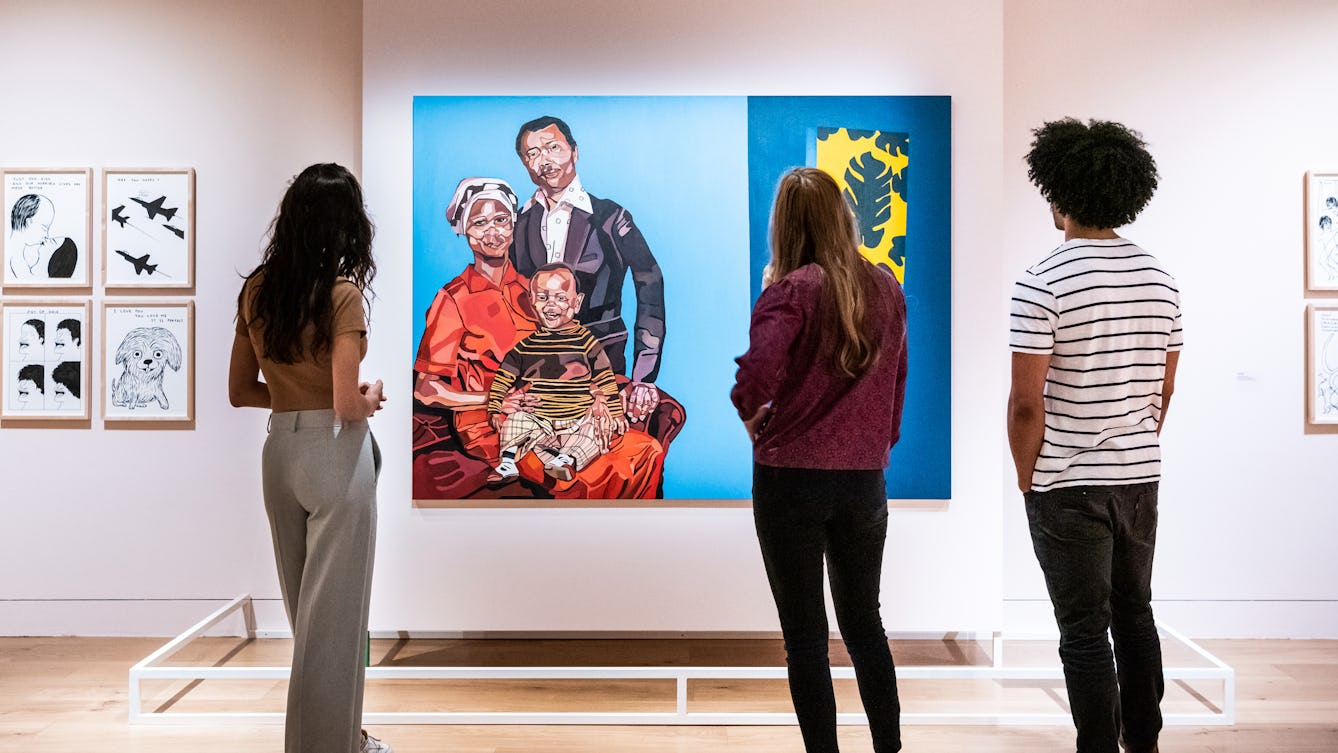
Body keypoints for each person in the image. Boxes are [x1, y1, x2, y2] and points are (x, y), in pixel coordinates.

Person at [1008, 118, 1182, 753]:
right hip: (1140, 478)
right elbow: (1162, 389)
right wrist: (1133, 442)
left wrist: (1029, 479)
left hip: (1068, 483)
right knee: (1136, 614)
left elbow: (1027, 404)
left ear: (1058, 192)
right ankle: (1144, 742)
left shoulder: (1044, 279)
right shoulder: (1159, 277)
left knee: (1083, 628)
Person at [732, 167, 908, 753]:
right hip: (863, 480)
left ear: (783, 224)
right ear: (842, 216)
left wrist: (752, 414)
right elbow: (897, 385)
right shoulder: (884, 286)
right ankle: (889, 749)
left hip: (790, 479)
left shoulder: (790, 290)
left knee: (805, 638)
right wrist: (877, 445)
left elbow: (754, 376)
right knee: (865, 626)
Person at [228, 163, 392, 753]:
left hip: (280, 454)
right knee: (338, 620)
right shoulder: (342, 296)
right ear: (347, 226)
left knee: (309, 615)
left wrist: (295, 396)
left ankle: (343, 737)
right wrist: (371, 395)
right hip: (334, 454)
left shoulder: (258, 290)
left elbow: (241, 391)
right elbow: (349, 404)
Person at [511, 115, 665, 423]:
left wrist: (645, 375)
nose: (544, 160)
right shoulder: (518, 222)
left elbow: (651, 286)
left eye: (553, 147)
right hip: (537, 373)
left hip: (603, 365)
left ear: (574, 151)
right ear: (525, 165)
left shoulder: (610, 217)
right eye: (533, 154)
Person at [486, 263, 624, 483]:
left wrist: (615, 411)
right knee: (516, 421)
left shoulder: (586, 342)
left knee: (593, 434)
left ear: (577, 302)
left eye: (561, 298)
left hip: (577, 417)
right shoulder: (527, 346)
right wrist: (494, 406)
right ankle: (508, 463)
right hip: (539, 418)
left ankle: (565, 460)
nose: (551, 304)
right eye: (543, 297)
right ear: (531, 300)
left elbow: (605, 376)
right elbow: (504, 377)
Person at [7, 194, 77, 279]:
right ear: (29, 222)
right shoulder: (16, 260)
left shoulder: (19, 264)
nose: (46, 237)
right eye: (44, 228)